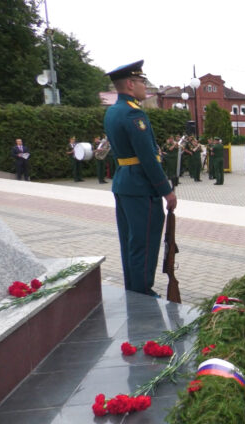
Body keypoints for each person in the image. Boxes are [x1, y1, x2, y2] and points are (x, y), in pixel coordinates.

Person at [103, 60, 177, 297]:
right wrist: (166, 190)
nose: (146, 86)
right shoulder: (134, 113)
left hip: (124, 182)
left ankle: (133, 289)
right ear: (129, 84)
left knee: (130, 242)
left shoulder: (113, 111)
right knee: (144, 242)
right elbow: (147, 157)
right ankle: (143, 292)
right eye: (142, 82)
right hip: (140, 186)